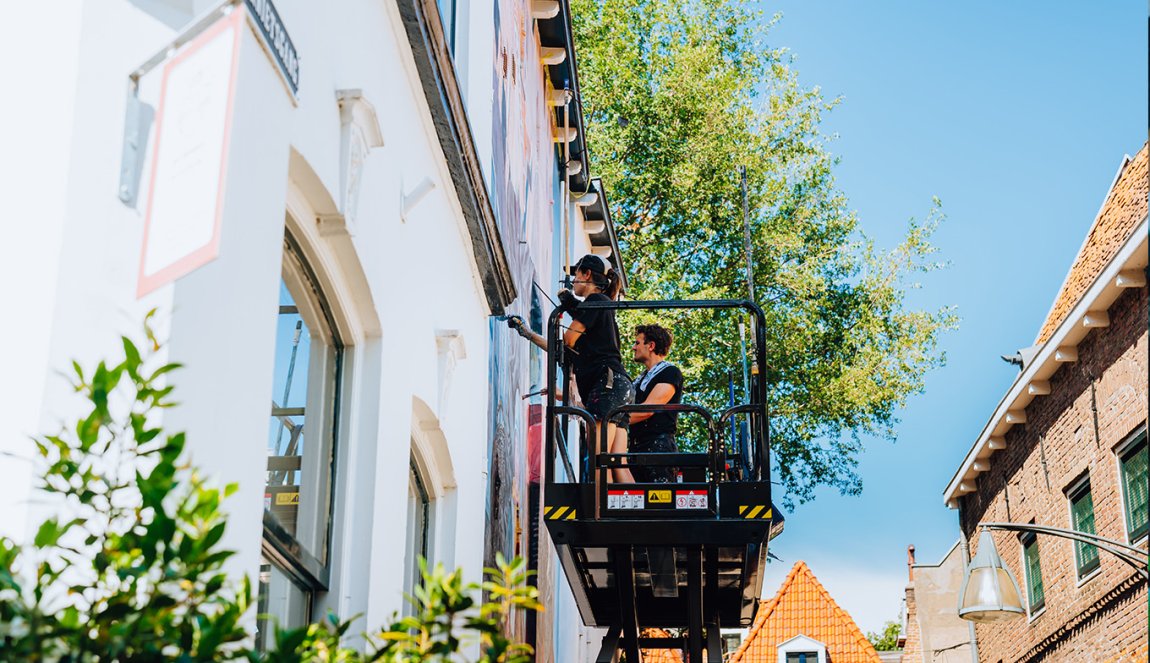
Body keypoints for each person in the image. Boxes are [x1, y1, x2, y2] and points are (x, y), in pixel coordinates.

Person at [507, 254, 635, 482]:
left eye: (577, 273)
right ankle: (630, 515)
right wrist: (529, 334)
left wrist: (570, 304)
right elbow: (563, 350)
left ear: (587, 274)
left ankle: (598, 517)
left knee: (599, 463)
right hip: (618, 386)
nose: (573, 279)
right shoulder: (597, 312)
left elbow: (567, 340)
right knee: (616, 462)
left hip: (607, 385)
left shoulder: (597, 301)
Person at [627, 324, 682, 483]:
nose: (633, 347)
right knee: (634, 502)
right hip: (635, 448)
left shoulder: (670, 372)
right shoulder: (639, 380)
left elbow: (648, 410)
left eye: (637, 343)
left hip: (659, 446)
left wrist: (611, 421)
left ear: (651, 346)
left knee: (659, 503)